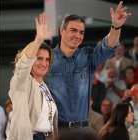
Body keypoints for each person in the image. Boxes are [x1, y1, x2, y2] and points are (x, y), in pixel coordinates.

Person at [45, 1, 132, 129]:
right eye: (73, 30)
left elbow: (109, 46)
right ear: (62, 30)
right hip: (56, 131)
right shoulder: (47, 58)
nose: (77, 35)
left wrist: (116, 27)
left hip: (83, 130)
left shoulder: (88, 56)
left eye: (81, 32)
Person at [7, 13, 58, 140]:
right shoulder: (22, 81)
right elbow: (22, 67)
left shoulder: (43, 86)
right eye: (39, 58)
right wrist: (38, 41)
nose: (44, 63)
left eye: (47, 59)